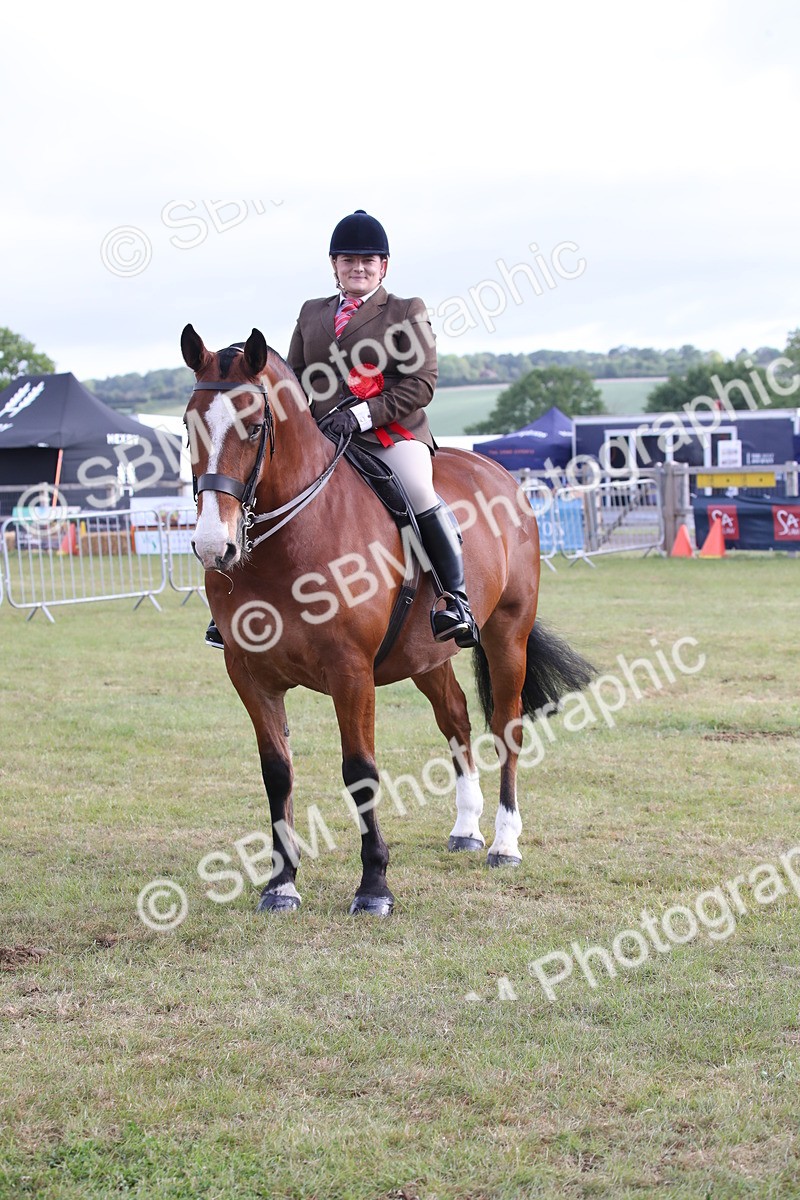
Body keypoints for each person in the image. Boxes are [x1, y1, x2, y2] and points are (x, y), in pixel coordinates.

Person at [205, 209, 478, 650]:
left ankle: (454, 598)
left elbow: (422, 383)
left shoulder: (407, 310)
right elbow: (290, 380)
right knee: (256, 491)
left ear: (383, 266)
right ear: (334, 265)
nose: (359, 267)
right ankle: (234, 607)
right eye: (349, 259)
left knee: (418, 490)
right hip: (323, 435)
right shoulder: (312, 313)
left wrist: (362, 415)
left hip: (390, 435)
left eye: (369, 260)